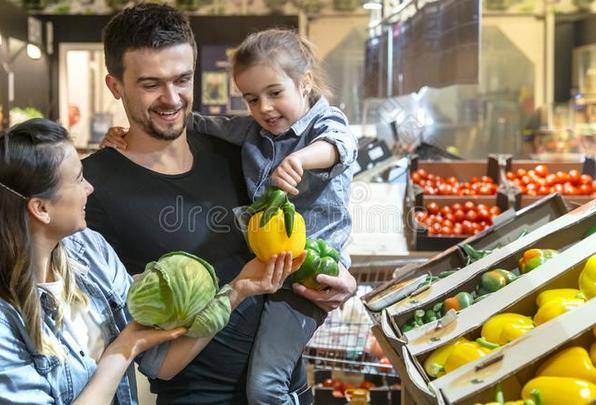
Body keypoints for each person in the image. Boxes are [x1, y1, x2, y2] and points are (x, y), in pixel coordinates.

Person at [86, 4, 357, 404]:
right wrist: (236, 290)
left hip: (289, 388)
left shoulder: (240, 153)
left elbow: (307, 225)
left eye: (182, 79)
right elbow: (142, 352)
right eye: (150, 84)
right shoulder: (92, 189)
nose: (171, 98)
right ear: (115, 86)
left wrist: (340, 283)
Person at [0, 118, 296, 404]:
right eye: (78, 179)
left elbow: (161, 363)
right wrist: (122, 351)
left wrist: (239, 289)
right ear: (40, 208)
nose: (89, 187)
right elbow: (132, 343)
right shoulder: (5, 322)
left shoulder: (90, 251)